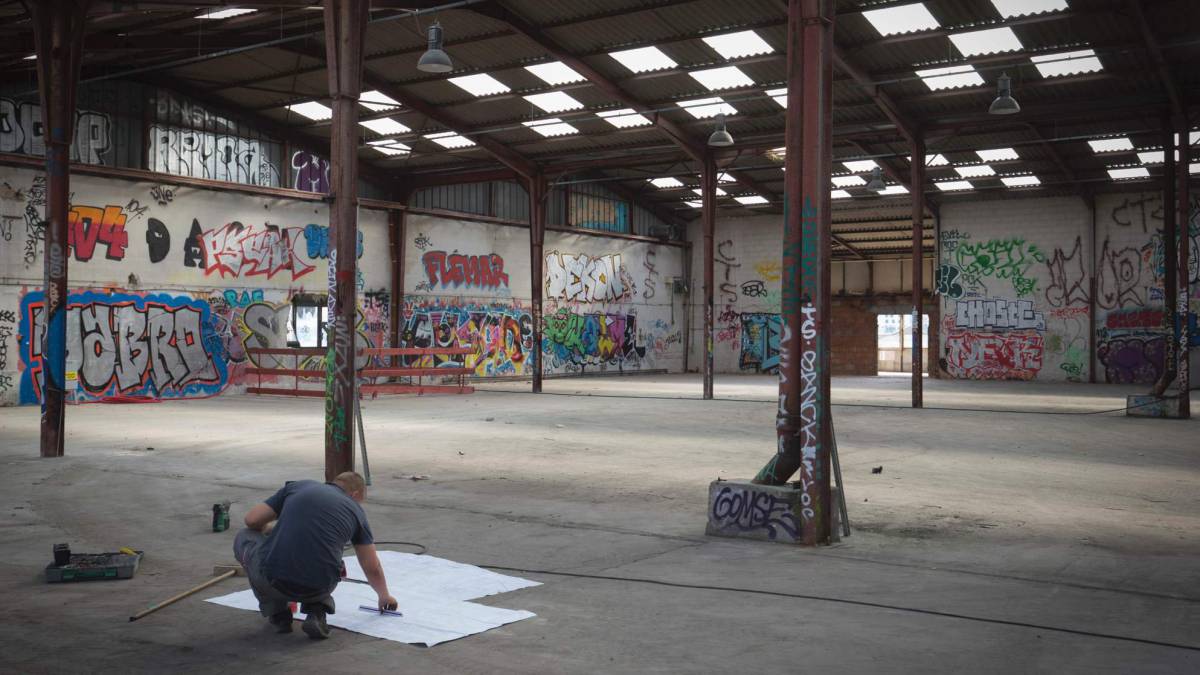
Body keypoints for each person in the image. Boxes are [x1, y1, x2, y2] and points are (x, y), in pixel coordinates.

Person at [233, 471, 397, 639]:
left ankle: (278, 614)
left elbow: (252, 520)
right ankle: (317, 610)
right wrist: (384, 596)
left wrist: (274, 531)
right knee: (330, 556)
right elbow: (371, 566)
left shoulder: (298, 487)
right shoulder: (357, 514)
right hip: (319, 587)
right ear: (355, 495)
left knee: (245, 536)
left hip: (273, 581)